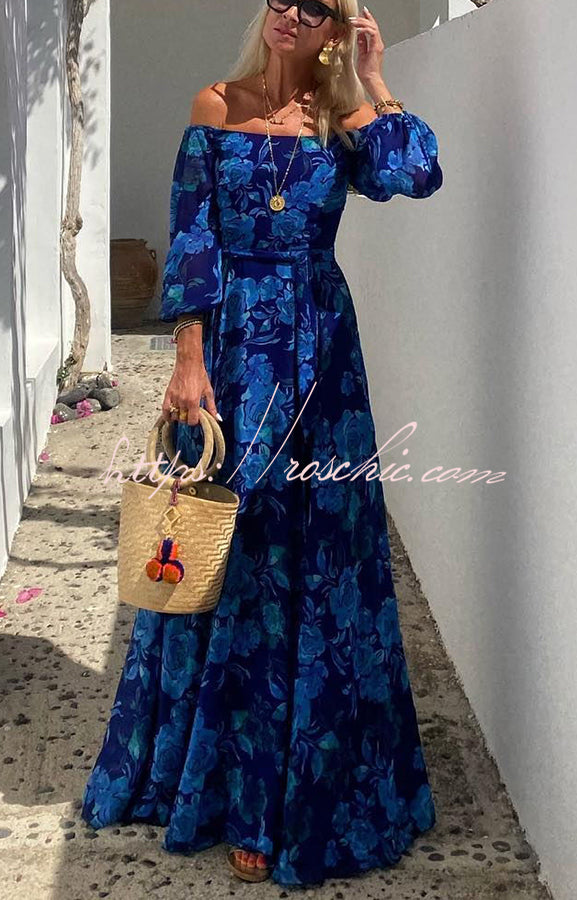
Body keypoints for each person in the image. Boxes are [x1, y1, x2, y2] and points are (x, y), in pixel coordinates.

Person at [81, 0, 443, 887]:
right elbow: (192, 237)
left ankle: (293, 793)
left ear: (334, 30)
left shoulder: (342, 117)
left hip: (319, 350)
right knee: (226, 545)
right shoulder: (216, 103)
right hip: (231, 350)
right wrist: (186, 362)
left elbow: (415, 174)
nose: (291, 13)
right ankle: (224, 788)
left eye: (316, 6)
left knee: (312, 551)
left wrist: (373, 76)